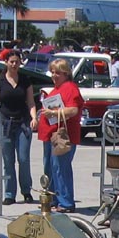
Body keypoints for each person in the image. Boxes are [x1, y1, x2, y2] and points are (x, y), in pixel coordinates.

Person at [0, 51, 37, 204]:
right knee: (8, 161)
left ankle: (26, 191)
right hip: (4, 124)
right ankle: (9, 194)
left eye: (17, 62)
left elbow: (31, 102)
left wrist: (34, 118)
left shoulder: (25, 81)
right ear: (6, 62)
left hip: (23, 124)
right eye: (12, 62)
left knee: (23, 159)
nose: (14, 64)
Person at [39, 58, 83, 213]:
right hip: (51, 135)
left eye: (57, 72)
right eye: (52, 72)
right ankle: (53, 199)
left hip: (63, 136)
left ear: (66, 73)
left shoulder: (70, 88)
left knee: (61, 168)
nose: (54, 75)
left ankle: (66, 202)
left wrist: (53, 113)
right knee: (51, 168)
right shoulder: (57, 88)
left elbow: (73, 110)